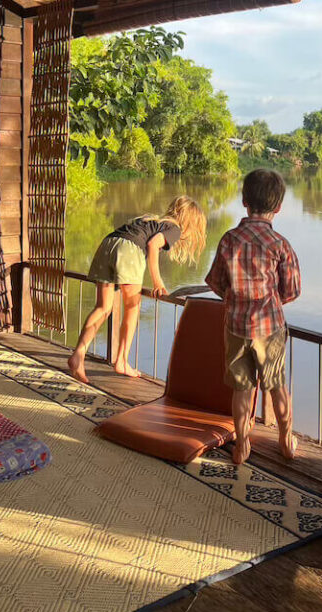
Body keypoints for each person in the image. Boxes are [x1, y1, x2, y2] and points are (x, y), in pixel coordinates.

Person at [205, 169, 300, 465]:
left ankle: (242, 444)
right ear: (279, 207)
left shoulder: (229, 239)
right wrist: (272, 302)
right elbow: (292, 290)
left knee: (242, 388)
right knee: (276, 384)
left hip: (235, 325)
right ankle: (285, 439)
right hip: (269, 327)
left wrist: (235, 300)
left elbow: (216, 282)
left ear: (244, 201)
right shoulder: (280, 244)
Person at [68, 196, 207, 384]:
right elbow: (152, 244)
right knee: (132, 307)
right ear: (190, 222)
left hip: (108, 244)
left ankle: (78, 354)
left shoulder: (151, 221)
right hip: (128, 250)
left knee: (103, 307)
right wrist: (158, 282)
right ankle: (122, 361)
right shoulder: (174, 228)